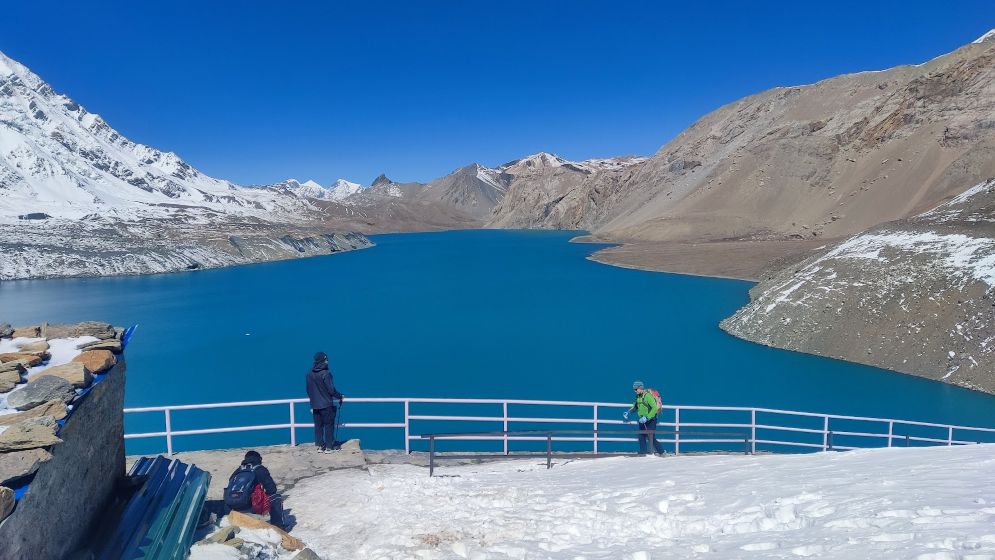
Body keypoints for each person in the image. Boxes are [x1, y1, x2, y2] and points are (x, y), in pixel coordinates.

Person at [221, 450, 287, 530]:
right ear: (259, 459)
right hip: (250, 507)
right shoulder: (260, 469)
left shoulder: (238, 471)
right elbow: (272, 489)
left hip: (232, 507)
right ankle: (279, 527)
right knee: (276, 497)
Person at [306, 351, 343, 453]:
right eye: (326, 359)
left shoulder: (309, 373)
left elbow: (308, 390)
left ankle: (320, 446)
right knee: (329, 425)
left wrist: (313, 401)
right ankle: (329, 447)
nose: (328, 361)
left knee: (318, 426)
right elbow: (331, 390)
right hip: (326, 405)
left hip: (315, 405)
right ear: (323, 361)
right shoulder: (326, 374)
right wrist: (340, 396)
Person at [624, 380, 665, 455]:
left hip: (651, 420)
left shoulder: (647, 396)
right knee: (641, 436)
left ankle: (662, 452)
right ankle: (643, 452)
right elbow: (635, 406)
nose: (635, 391)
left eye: (636, 389)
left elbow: (654, 408)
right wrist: (628, 412)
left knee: (650, 436)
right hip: (642, 420)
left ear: (640, 388)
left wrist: (647, 417)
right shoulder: (638, 397)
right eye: (634, 389)